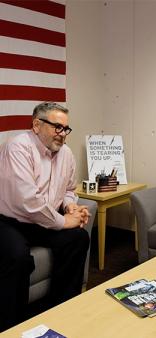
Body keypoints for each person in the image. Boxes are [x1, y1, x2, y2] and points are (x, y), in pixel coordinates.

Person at [0, 102, 91, 331]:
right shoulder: (18, 148)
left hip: (42, 220)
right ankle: (13, 327)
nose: (63, 135)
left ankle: (61, 310)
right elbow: (27, 202)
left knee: (78, 239)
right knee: (18, 256)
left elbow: (70, 188)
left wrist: (70, 206)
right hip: (10, 221)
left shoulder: (66, 154)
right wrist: (64, 220)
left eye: (66, 129)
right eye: (57, 127)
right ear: (37, 125)